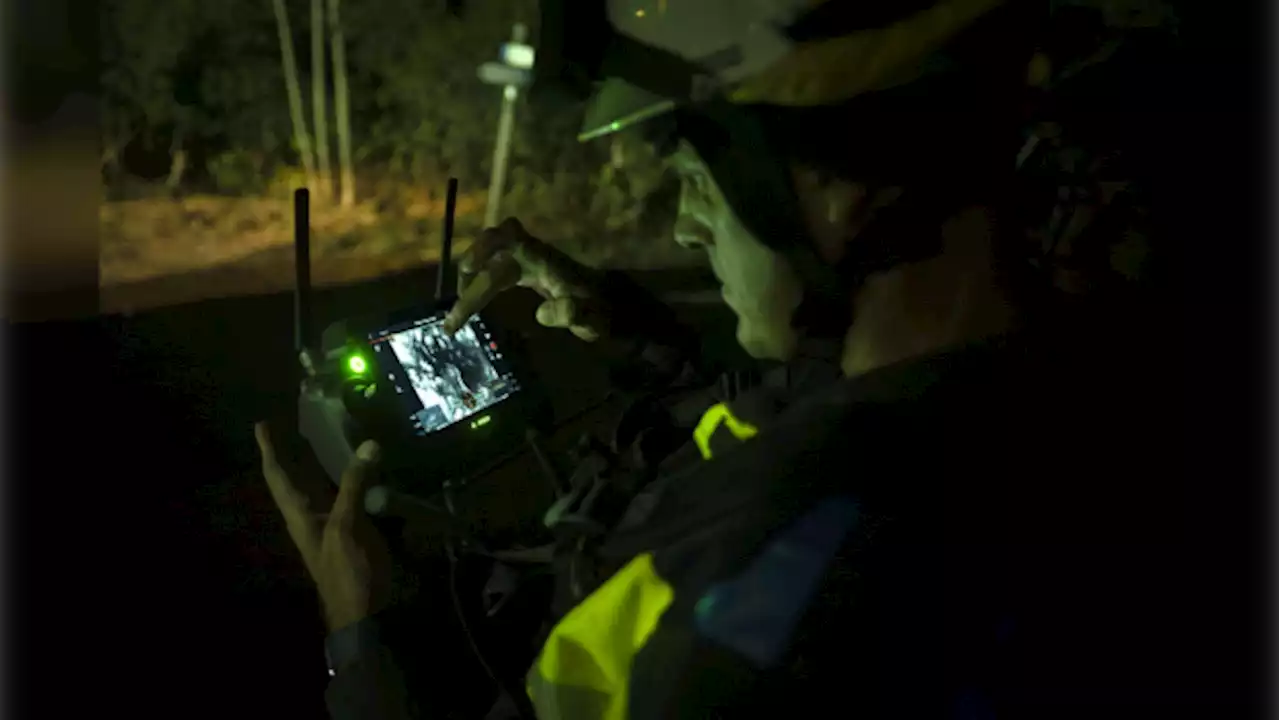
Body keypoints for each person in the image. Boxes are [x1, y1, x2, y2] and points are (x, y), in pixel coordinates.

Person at [255, 1, 1183, 718]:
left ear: (832, 188)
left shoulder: (773, 605)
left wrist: (364, 635)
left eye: (700, 181)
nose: (686, 225)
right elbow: (791, 399)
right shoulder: (1027, 387)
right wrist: (630, 332)